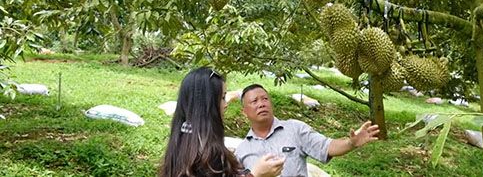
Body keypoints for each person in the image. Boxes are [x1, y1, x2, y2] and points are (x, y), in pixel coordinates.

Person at [160, 68, 285, 177]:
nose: (225, 105)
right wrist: (256, 174)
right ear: (207, 103)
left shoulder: (182, 141)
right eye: (222, 98)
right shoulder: (207, 151)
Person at [236, 84, 380, 177]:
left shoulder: (295, 129)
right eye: (254, 101)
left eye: (265, 99)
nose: (261, 104)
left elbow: (326, 146)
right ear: (244, 112)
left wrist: (351, 143)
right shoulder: (242, 151)